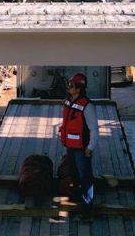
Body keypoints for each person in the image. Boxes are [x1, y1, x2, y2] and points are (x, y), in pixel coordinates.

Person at [59, 73, 98, 219]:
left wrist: (90, 148)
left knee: (85, 177)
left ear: (79, 89)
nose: (69, 88)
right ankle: (76, 198)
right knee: (74, 174)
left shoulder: (87, 106)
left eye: (71, 85)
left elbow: (94, 129)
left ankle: (87, 210)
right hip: (71, 146)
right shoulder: (69, 102)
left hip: (82, 149)